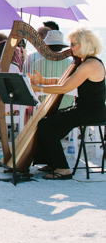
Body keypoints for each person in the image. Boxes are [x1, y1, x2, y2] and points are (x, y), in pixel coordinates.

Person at [30, 27, 105, 180]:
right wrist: (42, 81)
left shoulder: (89, 65)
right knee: (49, 124)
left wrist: (37, 88)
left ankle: (63, 169)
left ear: (83, 44)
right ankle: (53, 162)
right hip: (86, 109)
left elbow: (65, 87)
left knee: (47, 124)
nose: (69, 48)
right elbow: (66, 81)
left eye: (73, 44)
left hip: (91, 111)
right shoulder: (85, 62)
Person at [24, 30, 74, 110]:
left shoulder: (38, 63)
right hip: (67, 105)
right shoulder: (71, 63)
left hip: (43, 106)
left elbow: (29, 86)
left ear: (47, 46)